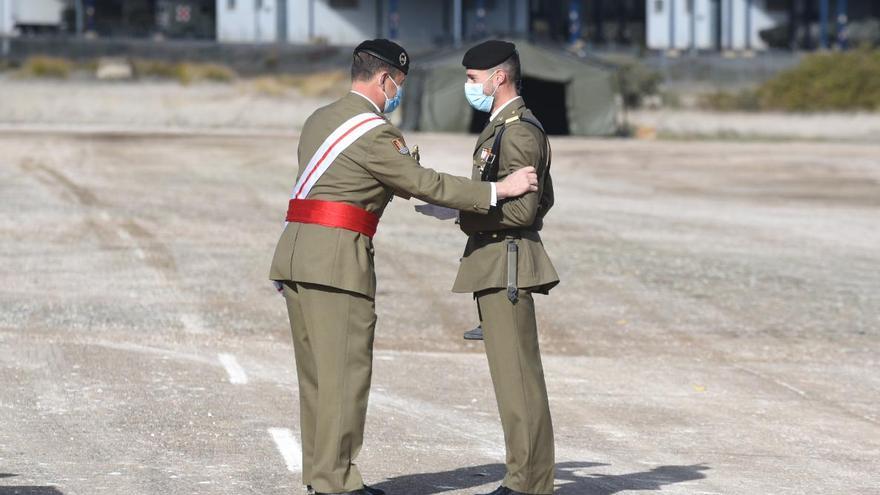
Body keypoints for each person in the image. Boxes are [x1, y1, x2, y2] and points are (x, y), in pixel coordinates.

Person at [268, 39, 540, 495]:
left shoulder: (319, 119)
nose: (399, 92)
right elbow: (423, 182)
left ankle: (321, 477)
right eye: (399, 84)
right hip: (337, 260)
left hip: (296, 254)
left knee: (315, 378)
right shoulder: (375, 133)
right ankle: (338, 485)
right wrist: (498, 191)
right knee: (343, 376)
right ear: (383, 79)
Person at [453, 40, 559, 495]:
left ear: (499, 78)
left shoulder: (517, 131)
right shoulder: (504, 126)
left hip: (508, 264)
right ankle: (525, 477)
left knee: (518, 380)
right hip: (496, 261)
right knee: (510, 379)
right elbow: (541, 199)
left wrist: (465, 209)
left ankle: (527, 484)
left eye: (474, 79)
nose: (469, 87)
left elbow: (524, 210)